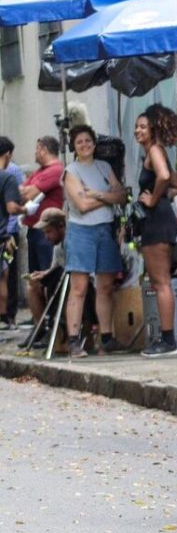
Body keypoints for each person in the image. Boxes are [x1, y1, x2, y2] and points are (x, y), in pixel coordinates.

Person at [63, 124, 126, 358]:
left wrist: (97, 194)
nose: (85, 145)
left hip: (105, 229)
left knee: (106, 286)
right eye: (79, 142)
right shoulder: (71, 171)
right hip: (81, 231)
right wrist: (108, 197)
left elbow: (123, 195)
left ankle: (107, 338)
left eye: (88, 141)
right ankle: (73, 340)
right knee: (79, 287)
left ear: (94, 143)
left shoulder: (104, 166)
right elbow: (81, 205)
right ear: (74, 146)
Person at [134, 104, 177, 358]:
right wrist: (163, 195)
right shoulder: (157, 151)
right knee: (160, 281)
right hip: (161, 220)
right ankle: (167, 337)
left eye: (143, 126)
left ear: (153, 128)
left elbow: (164, 176)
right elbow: (176, 182)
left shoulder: (154, 150)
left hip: (157, 222)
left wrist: (154, 199)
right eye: (136, 127)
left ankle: (168, 340)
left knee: (161, 282)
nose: (137, 130)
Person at [19, 208, 67, 349]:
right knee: (32, 286)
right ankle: (40, 326)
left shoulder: (70, 243)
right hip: (59, 280)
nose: (46, 237)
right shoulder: (57, 246)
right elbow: (54, 268)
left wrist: (47, 276)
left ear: (60, 227)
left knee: (49, 288)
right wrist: (42, 274)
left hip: (71, 285)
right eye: (44, 233)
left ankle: (51, 328)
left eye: (49, 232)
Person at [20, 135, 64, 275]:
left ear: (44, 149)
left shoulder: (55, 170)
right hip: (33, 229)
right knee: (34, 276)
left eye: (37, 149)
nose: (35, 152)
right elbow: (20, 193)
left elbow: (27, 194)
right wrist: (25, 191)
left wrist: (26, 191)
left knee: (46, 275)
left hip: (47, 230)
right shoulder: (39, 171)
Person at [0, 137, 24, 327]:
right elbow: (11, 208)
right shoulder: (6, 176)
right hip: (3, 236)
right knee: (4, 276)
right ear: (7, 154)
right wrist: (25, 210)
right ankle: (4, 319)